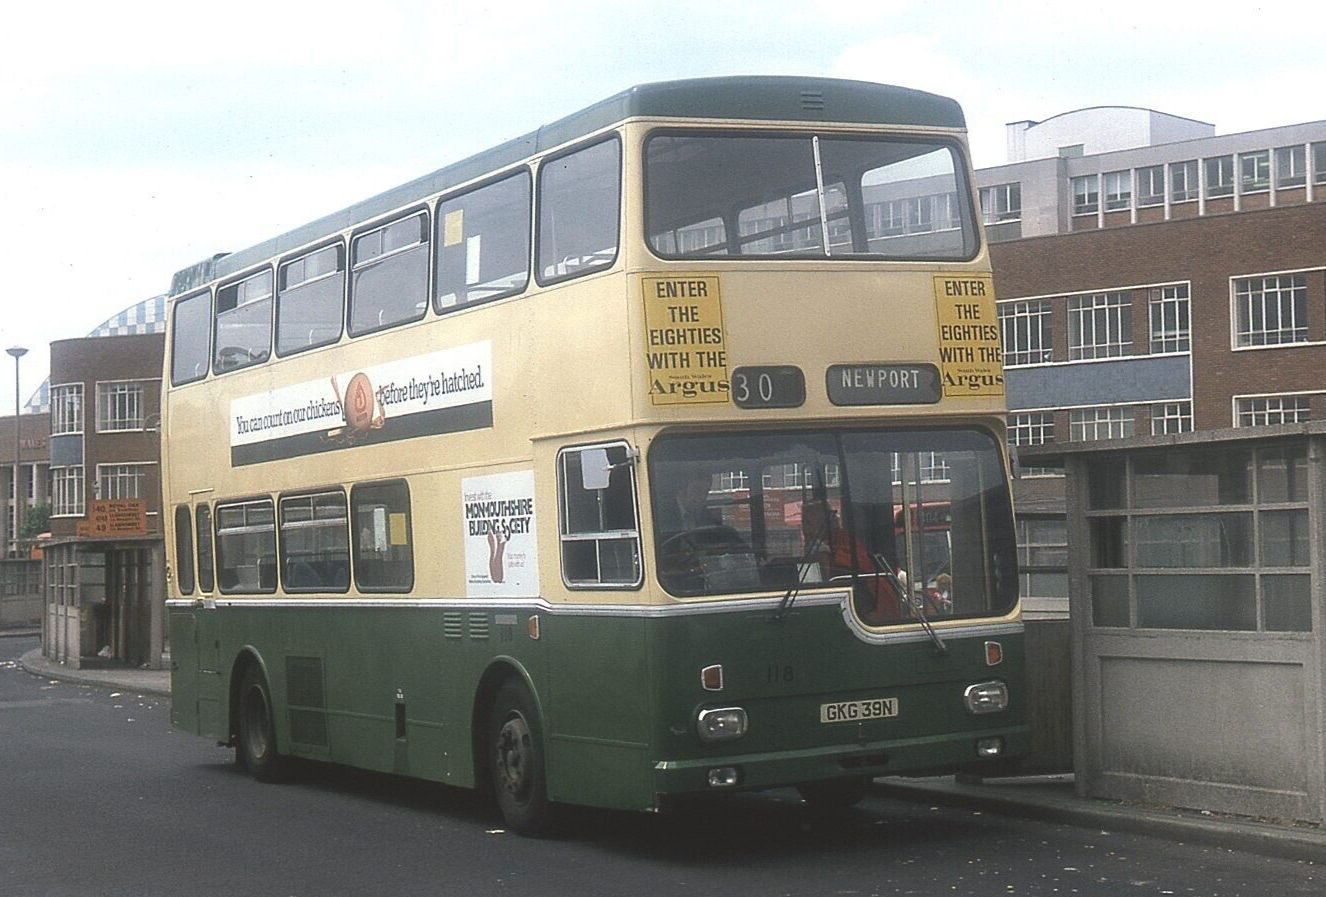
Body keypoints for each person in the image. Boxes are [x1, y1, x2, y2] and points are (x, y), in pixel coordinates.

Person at [801, 500, 903, 623]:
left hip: (872, 608)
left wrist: (823, 556)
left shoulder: (839, 546)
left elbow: (829, 580)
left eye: (808, 522)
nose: (805, 528)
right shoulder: (827, 544)